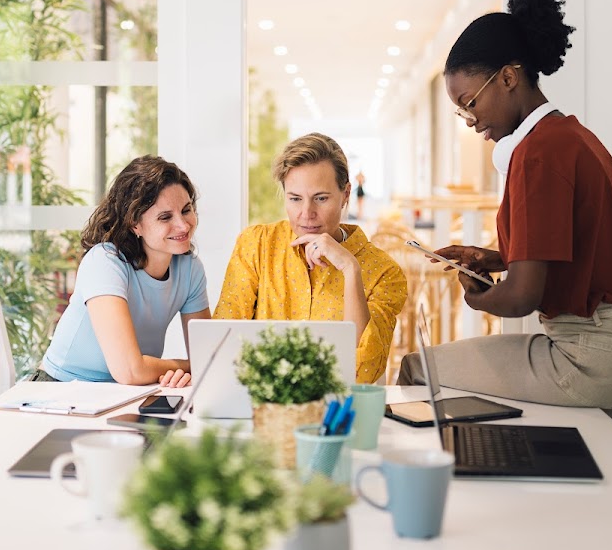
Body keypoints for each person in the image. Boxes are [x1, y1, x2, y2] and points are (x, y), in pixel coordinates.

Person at [398, 0, 612, 452]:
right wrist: (495, 258)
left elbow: (523, 296)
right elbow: (579, 245)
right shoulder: (572, 136)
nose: (470, 121)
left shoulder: (535, 154)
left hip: (596, 353)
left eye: (470, 103)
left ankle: (438, 483)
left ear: (508, 77)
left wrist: (480, 298)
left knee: (417, 368)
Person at [215, 133, 407, 383]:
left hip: (339, 404)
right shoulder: (256, 245)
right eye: (295, 199)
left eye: (321, 198)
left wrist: (350, 269)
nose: (307, 213)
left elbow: (363, 373)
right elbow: (221, 343)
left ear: (346, 194)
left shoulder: (384, 272)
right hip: (259, 399)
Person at [32, 156, 209, 387]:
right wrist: (188, 366)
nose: (183, 225)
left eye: (186, 210)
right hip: (59, 387)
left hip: (126, 393)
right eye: (165, 217)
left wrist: (193, 366)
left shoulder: (190, 269)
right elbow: (130, 371)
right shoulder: (105, 261)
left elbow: (207, 358)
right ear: (135, 224)